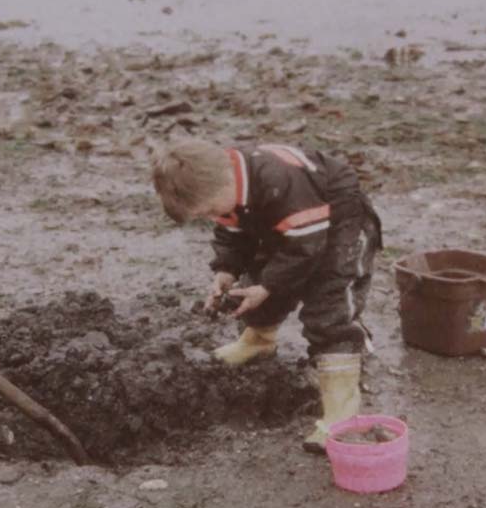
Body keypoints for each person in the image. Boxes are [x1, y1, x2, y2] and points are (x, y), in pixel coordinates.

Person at [152, 139, 382, 453]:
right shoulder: (228, 187)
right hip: (287, 226)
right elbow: (231, 232)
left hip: (337, 221)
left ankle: (342, 411)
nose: (209, 216)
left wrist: (268, 286)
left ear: (226, 181)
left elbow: (306, 250)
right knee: (254, 279)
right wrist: (226, 270)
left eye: (208, 209)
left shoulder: (279, 182)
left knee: (329, 308)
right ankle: (258, 341)